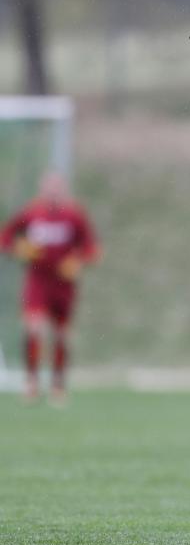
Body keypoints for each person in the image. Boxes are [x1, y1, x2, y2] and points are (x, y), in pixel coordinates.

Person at [0, 172, 101, 406]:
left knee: (61, 336)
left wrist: (78, 261)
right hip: (37, 281)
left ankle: (58, 385)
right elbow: (5, 237)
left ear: (63, 189)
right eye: (49, 187)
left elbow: (91, 249)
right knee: (34, 329)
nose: (53, 192)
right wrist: (18, 249)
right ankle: (31, 383)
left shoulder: (74, 215)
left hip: (64, 285)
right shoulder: (31, 213)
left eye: (57, 187)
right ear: (42, 189)